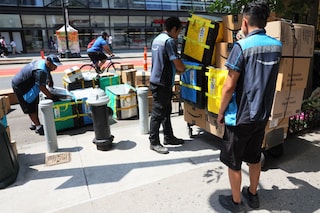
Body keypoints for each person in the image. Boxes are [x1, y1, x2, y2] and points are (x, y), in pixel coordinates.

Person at [217, 1, 282, 212]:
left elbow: (229, 86)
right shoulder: (276, 46)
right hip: (261, 114)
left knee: (233, 161)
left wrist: (220, 113)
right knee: (254, 157)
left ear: (244, 22)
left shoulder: (241, 47)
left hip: (240, 115)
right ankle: (252, 195)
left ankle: (236, 202)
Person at [149, 16, 186, 154]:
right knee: (158, 113)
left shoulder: (157, 39)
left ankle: (168, 137)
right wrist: (183, 69)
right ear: (174, 29)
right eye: (178, 32)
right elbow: (176, 61)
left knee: (166, 111)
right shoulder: (169, 41)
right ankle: (154, 142)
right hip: (162, 82)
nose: (177, 36)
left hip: (157, 79)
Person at [11, 54, 62, 136]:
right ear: (48, 63)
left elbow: (48, 74)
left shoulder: (43, 64)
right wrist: (51, 97)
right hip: (21, 86)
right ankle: (38, 127)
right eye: (54, 66)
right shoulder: (40, 71)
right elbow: (41, 87)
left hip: (29, 84)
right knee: (30, 105)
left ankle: (34, 122)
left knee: (35, 102)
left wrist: (50, 82)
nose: (56, 68)